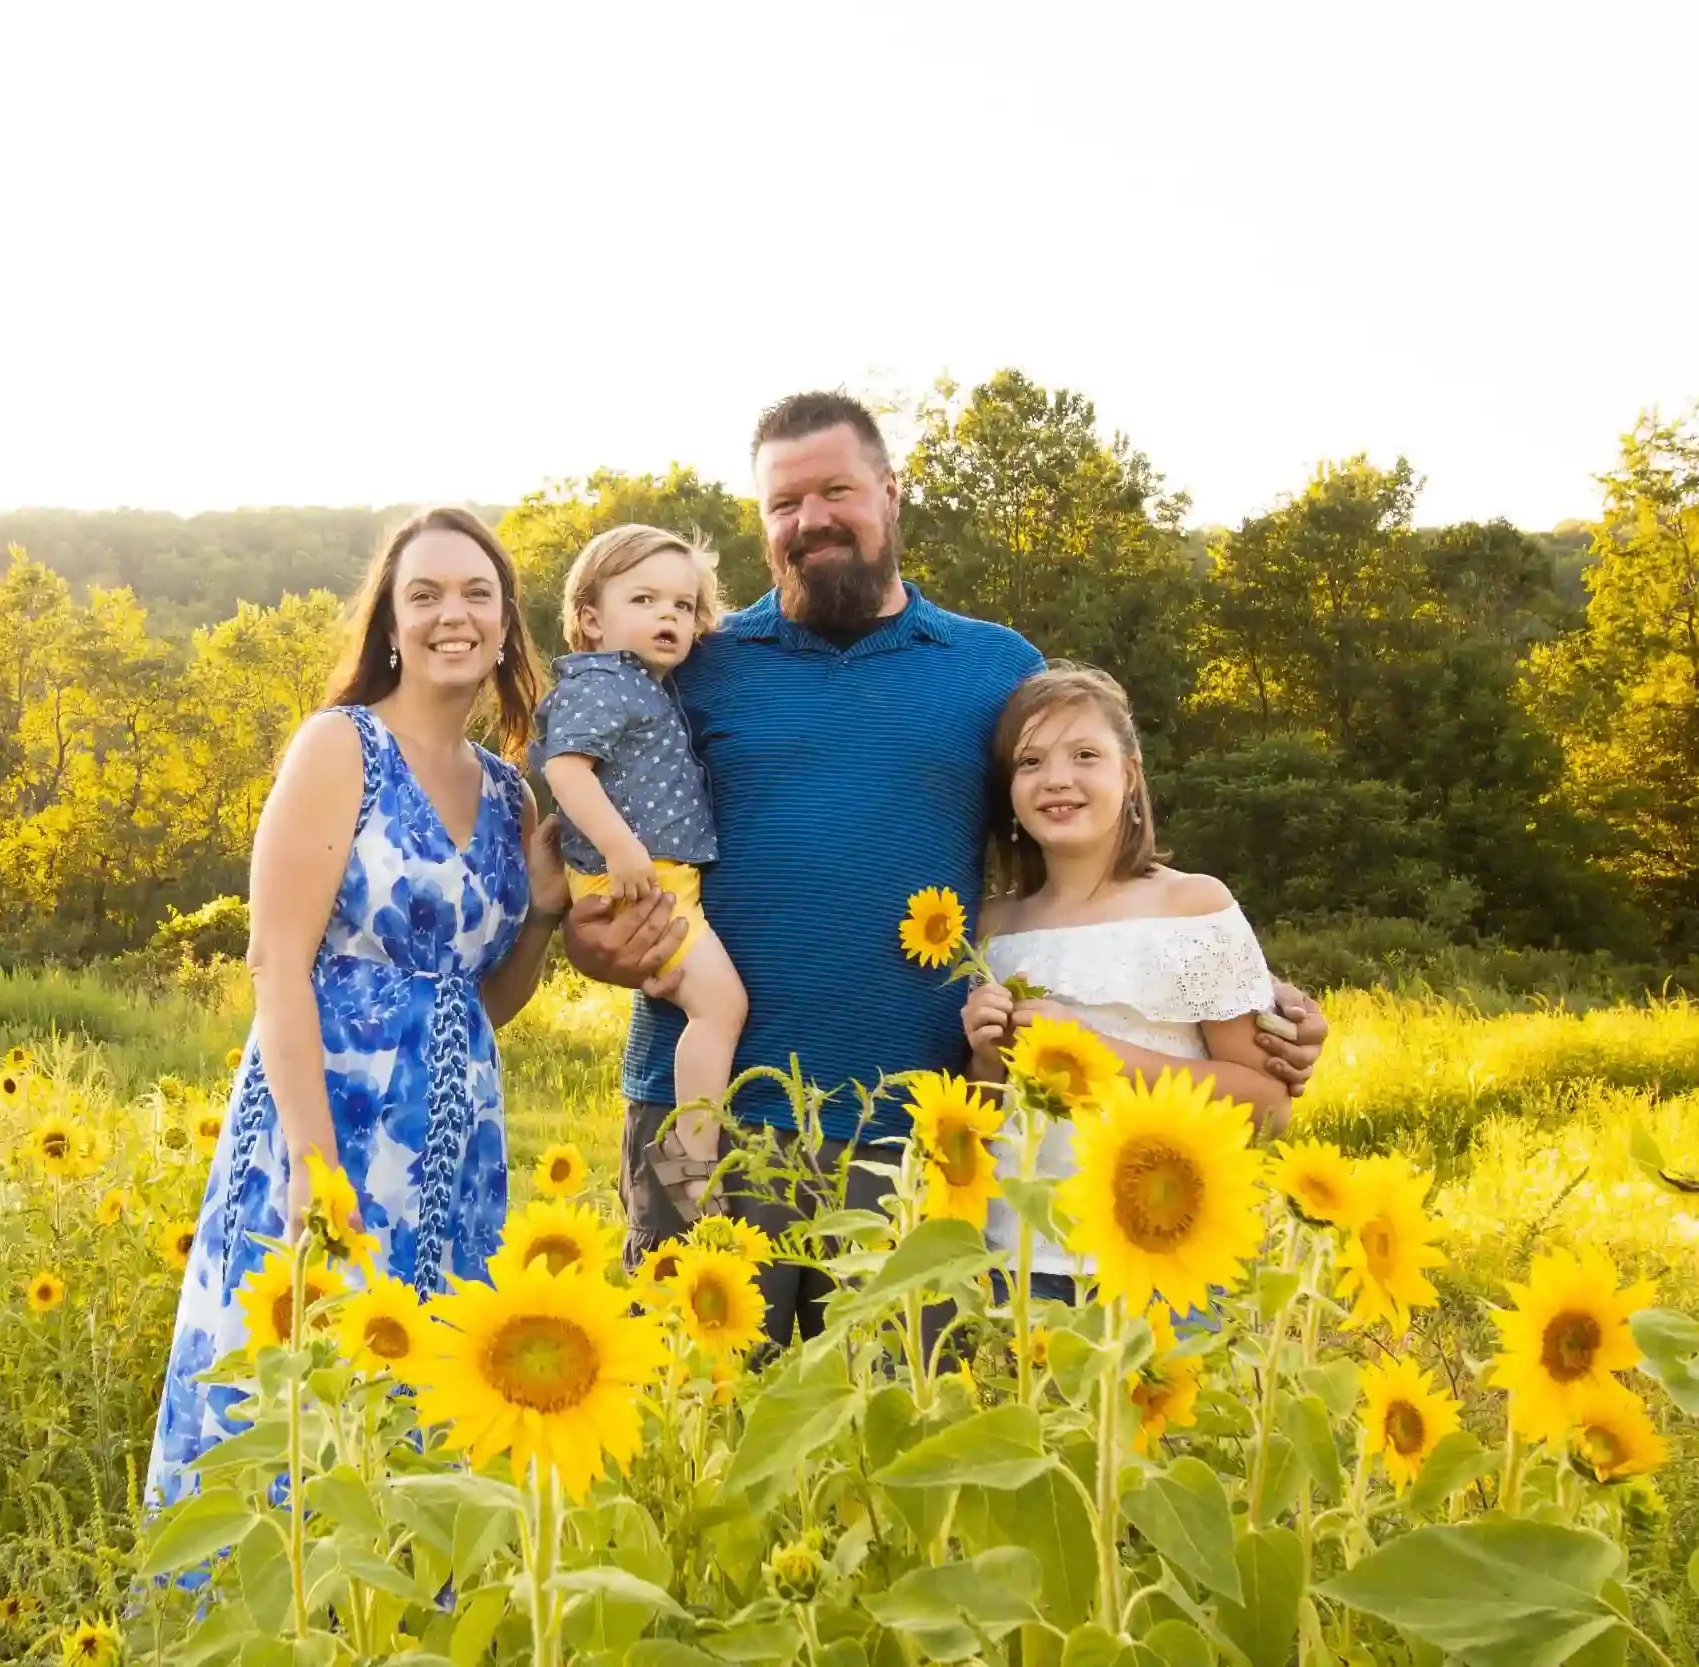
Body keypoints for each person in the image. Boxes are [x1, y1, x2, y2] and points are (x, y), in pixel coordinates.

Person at [565, 390, 1331, 1349]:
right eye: (783, 504)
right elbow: (598, 825)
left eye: (836, 490)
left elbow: (1071, 865)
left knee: (897, 1439)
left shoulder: (993, 666)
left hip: (921, 1129)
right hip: (711, 1120)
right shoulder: (700, 663)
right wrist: (586, 938)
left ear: (891, 492)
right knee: (703, 1429)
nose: (811, 521)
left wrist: (1249, 997)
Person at [144, 507, 570, 1509]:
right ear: (389, 622)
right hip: (324, 1129)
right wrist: (311, 1164)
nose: (449, 614)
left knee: (423, 1413)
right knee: (287, 1397)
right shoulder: (341, 746)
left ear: (507, 622)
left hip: (455, 1153)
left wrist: (544, 917)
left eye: (475, 593)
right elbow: (275, 959)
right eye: (422, 594)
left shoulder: (510, 793)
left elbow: (483, 1003)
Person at [963, 662, 1291, 1305]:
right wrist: (983, 1057)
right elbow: (985, 1110)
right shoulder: (993, 925)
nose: (1057, 779)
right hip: (1012, 1260)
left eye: (1085, 754)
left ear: (1129, 773)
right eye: (1030, 762)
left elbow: (1267, 1106)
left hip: (1157, 1260)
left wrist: (1094, 1052)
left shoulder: (1193, 907)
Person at [529, 526, 746, 1236]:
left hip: (656, 877)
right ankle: (691, 1155)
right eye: (644, 598)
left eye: (683, 606)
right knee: (720, 1007)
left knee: (714, 1005)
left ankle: (691, 1147)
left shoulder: (640, 686)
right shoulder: (599, 683)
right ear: (590, 619)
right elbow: (565, 769)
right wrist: (623, 850)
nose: (669, 617)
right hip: (640, 884)